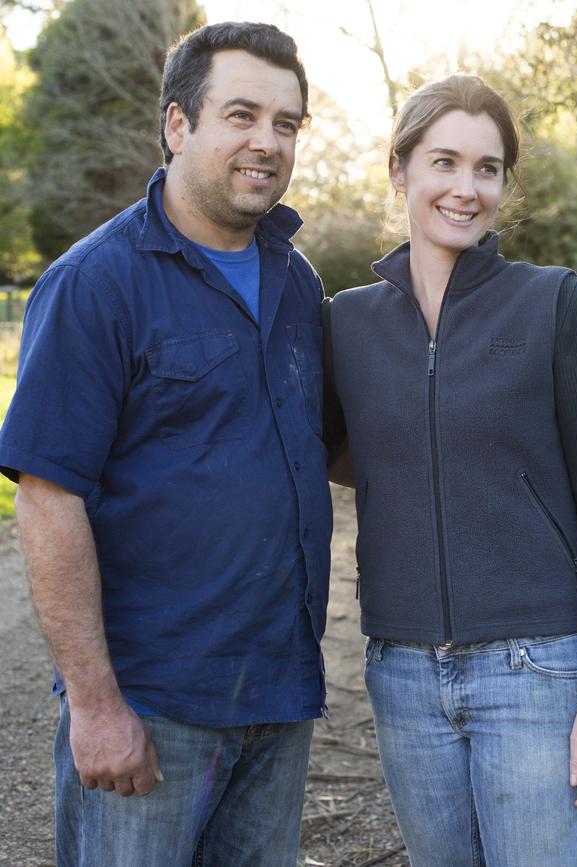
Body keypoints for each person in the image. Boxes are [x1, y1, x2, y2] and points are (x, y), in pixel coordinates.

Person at [0, 21, 332, 867]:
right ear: (178, 125)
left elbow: (326, 448)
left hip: (279, 694)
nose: (267, 142)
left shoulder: (297, 283)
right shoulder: (94, 284)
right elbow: (47, 497)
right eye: (243, 114)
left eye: (287, 123)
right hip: (152, 707)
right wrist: (96, 703)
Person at [323, 74, 577, 867]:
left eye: (488, 168)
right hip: (400, 671)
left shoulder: (550, 303)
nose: (466, 189)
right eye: (444, 162)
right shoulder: (347, 322)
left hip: (535, 668)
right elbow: (322, 451)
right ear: (400, 172)